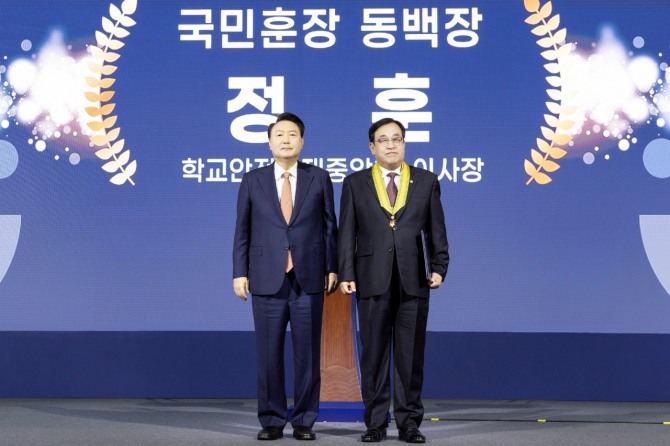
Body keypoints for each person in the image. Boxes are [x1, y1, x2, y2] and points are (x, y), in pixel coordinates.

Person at [338, 118, 449, 443]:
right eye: (383, 140)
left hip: (414, 281)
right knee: (373, 355)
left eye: (396, 139)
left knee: (410, 357)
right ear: (372, 147)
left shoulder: (426, 181)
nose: (390, 145)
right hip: (371, 279)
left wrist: (440, 265)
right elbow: (346, 233)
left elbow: (436, 230)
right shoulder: (355, 183)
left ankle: (409, 423)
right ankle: (374, 423)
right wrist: (346, 272)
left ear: (404, 143)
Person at [233, 112, 338, 441]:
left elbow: (329, 227)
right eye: (279, 135)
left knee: (307, 355)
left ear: (302, 142)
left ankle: (305, 420)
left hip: (309, 278)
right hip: (265, 278)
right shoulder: (253, 180)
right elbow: (242, 231)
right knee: (268, 355)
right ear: (269, 142)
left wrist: (332, 267)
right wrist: (239, 273)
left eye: (292, 134)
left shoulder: (318, 178)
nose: (286, 140)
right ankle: (272, 420)